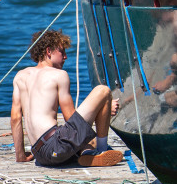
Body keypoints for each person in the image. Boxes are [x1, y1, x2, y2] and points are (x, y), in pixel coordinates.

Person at [10, 29, 123, 167]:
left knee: (90, 141)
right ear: (48, 51)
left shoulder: (20, 76)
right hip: (56, 148)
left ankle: (88, 154)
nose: (65, 57)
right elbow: (70, 118)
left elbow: (15, 118)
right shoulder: (59, 75)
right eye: (62, 52)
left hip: (39, 153)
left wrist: (20, 155)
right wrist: (101, 110)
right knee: (103, 91)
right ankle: (102, 150)